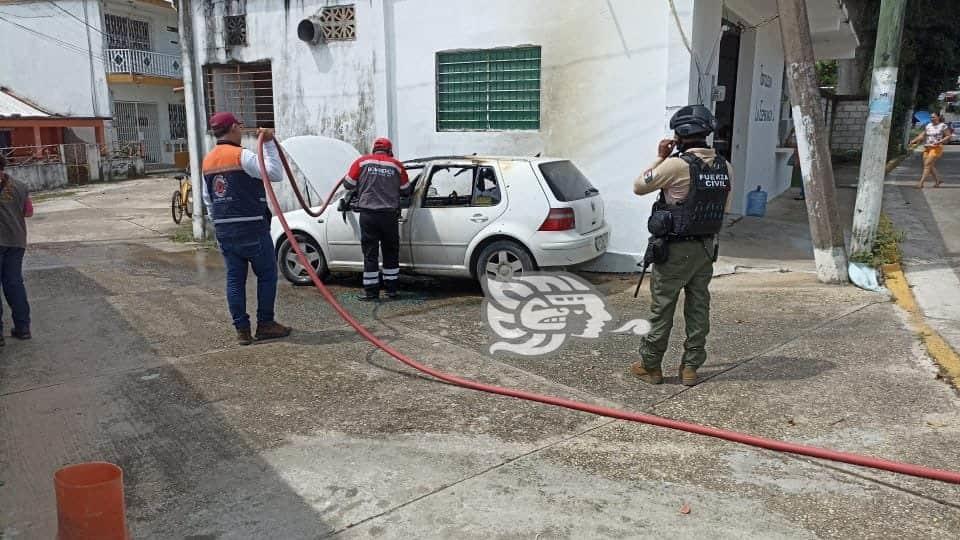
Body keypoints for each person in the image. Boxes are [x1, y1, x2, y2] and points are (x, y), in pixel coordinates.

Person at [629, 105, 733, 386]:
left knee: (662, 308)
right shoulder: (726, 167)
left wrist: (660, 157)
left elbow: (639, 186)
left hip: (674, 250)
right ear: (707, 134)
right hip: (705, 249)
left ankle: (651, 366)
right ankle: (690, 368)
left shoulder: (675, 165)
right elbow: (725, 208)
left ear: (679, 135)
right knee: (699, 307)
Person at [201, 112, 290, 345]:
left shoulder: (207, 161)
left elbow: (208, 199)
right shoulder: (242, 156)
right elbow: (275, 173)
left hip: (224, 231)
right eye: (239, 127)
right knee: (267, 275)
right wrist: (269, 143)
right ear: (232, 128)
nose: (241, 131)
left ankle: (242, 330)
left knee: (234, 280)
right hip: (252, 227)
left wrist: (219, 225)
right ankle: (265, 324)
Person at [342, 137, 411, 300]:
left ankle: (371, 292)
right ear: (389, 150)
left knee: (370, 254)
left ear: (374, 149)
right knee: (391, 252)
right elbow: (406, 189)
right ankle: (391, 290)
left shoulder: (361, 162)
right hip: (389, 216)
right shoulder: (396, 165)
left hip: (368, 215)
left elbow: (347, 184)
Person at [0, 155, 34, 345]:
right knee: (14, 284)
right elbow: (28, 212)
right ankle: (23, 329)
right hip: (16, 241)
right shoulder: (20, 185)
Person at [910, 111, 953, 188]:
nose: (932, 118)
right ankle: (938, 181)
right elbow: (922, 135)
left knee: (927, 165)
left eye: (933, 117)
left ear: (938, 117)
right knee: (930, 166)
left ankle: (921, 183)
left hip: (937, 148)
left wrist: (940, 141)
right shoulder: (928, 125)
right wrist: (913, 141)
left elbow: (948, 136)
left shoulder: (943, 126)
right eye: (931, 117)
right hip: (927, 147)